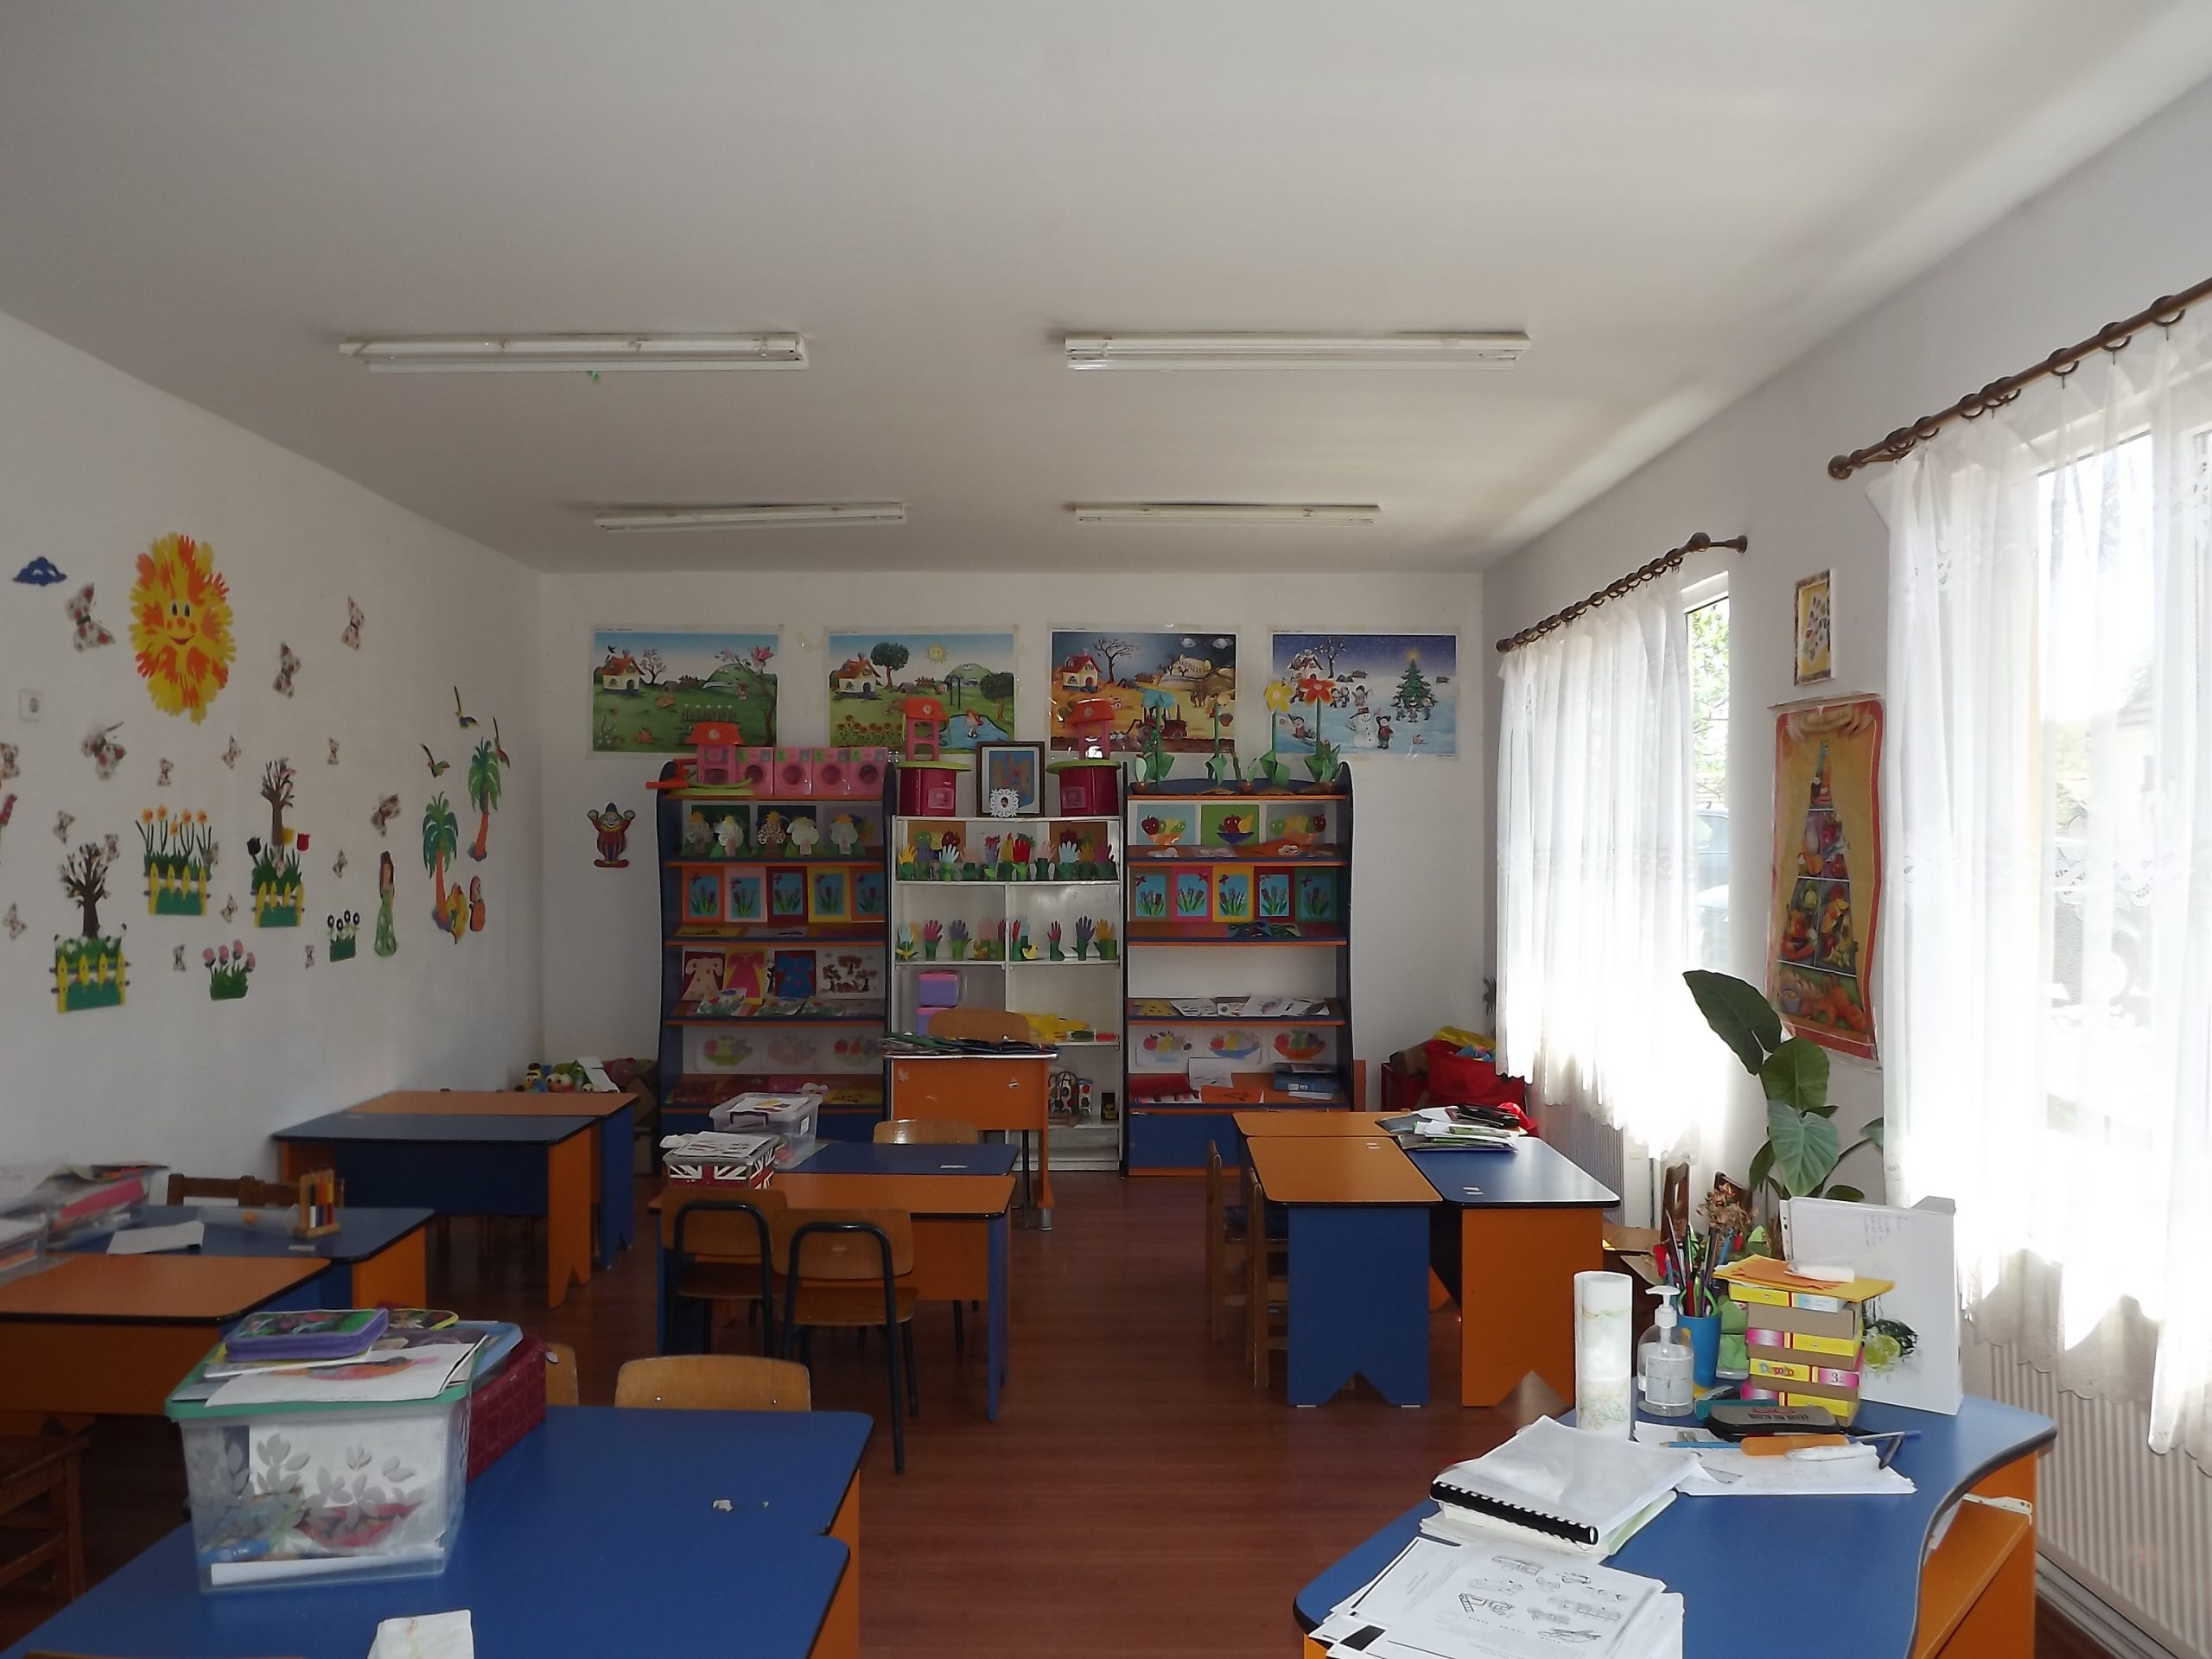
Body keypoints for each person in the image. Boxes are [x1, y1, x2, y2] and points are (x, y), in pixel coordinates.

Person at [373, 852, 398, 957]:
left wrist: (390, 904)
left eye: (388, 869)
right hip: (383, 909)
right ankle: (381, 947)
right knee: (382, 928)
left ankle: (389, 947)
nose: (387, 872)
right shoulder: (383, 885)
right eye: (385, 870)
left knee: (388, 928)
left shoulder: (391, 886)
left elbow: (391, 900)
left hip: (387, 910)